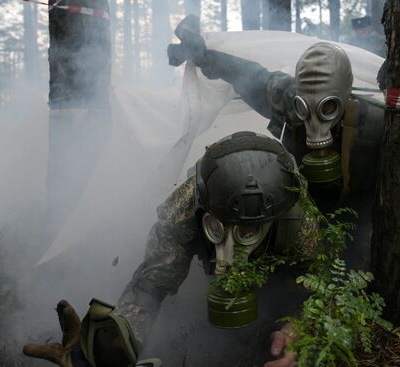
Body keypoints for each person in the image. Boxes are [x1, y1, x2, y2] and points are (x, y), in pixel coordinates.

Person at [24, 131, 319, 367]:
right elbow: (152, 284)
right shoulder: (185, 211)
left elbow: (317, 289)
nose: (229, 250)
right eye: (218, 229)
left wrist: (300, 330)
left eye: (246, 232)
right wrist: (111, 344)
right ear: (202, 210)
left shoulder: (297, 222)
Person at [168, 15, 384, 270]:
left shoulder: (377, 124)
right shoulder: (290, 101)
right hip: (302, 216)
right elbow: (252, 76)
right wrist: (203, 56)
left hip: (359, 221)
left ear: (347, 97)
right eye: (304, 108)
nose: (313, 122)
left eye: (328, 107)